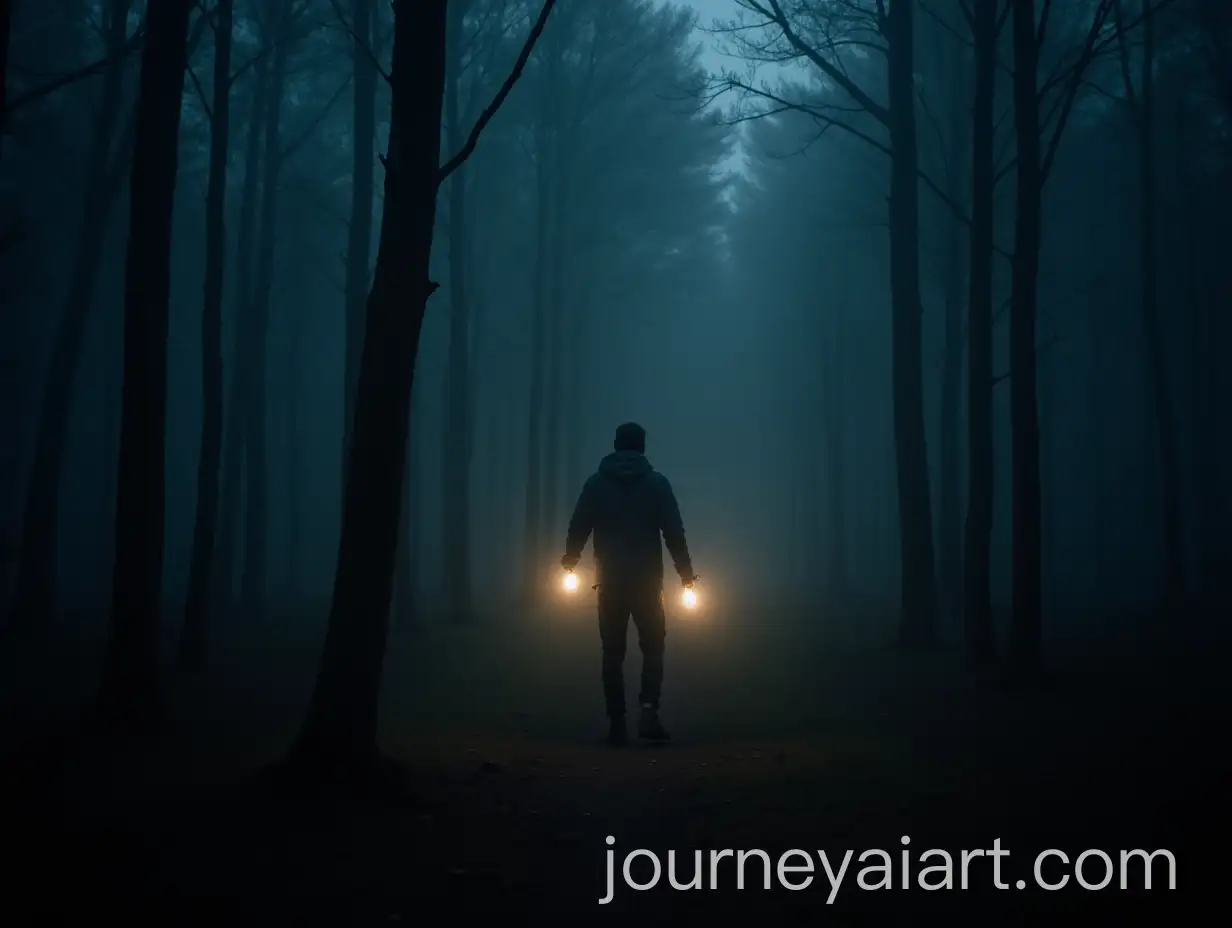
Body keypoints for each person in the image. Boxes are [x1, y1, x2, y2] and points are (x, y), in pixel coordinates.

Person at [561, 422, 697, 745]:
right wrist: (687, 575)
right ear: (642, 447)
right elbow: (674, 533)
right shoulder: (657, 485)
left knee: (612, 652)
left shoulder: (595, 485)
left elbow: (579, 525)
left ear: (616, 445)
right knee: (653, 648)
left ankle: (617, 721)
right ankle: (648, 713)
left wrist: (569, 561)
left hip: (609, 581)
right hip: (648, 583)